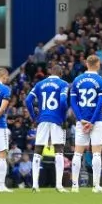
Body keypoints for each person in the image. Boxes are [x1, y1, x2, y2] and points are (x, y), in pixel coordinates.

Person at [69, 55, 102, 193]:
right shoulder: (101, 80)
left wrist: (80, 119)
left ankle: (74, 186)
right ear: (97, 64)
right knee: (96, 153)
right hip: (96, 120)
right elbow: (100, 103)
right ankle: (96, 186)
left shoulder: (77, 80)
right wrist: (92, 121)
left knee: (77, 153)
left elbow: (73, 102)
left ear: (87, 64)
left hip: (82, 121)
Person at [26, 64, 69, 192]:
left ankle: (35, 185)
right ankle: (59, 185)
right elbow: (63, 101)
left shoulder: (40, 84)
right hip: (56, 119)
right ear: (61, 73)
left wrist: (34, 117)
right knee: (59, 150)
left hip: (43, 119)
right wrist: (63, 117)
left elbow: (28, 100)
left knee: (38, 150)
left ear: (50, 72)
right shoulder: (63, 84)